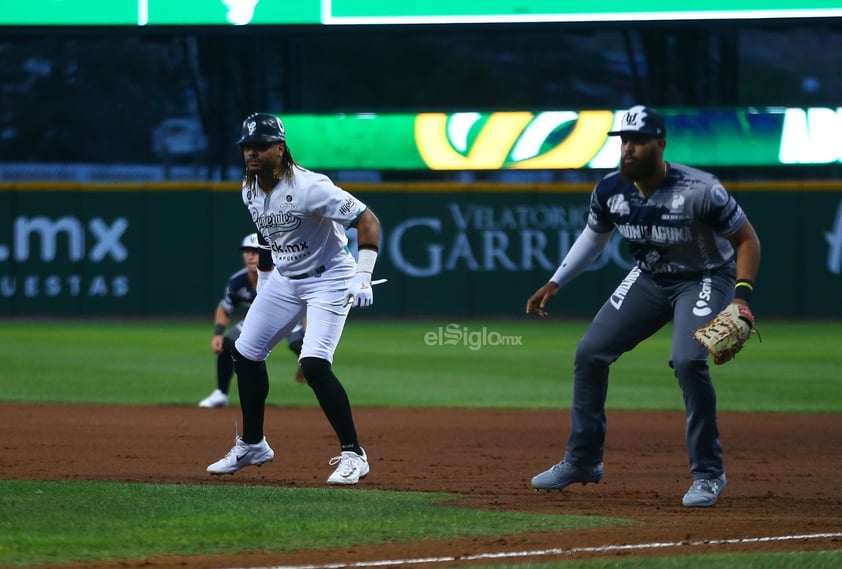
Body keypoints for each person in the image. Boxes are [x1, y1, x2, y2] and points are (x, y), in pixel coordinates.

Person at [526, 105, 761, 508]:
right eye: (623, 141)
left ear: (660, 143)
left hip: (704, 276)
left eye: (636, 140)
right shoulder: (611, 190)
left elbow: (747, 240)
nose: (627, 149)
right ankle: (583, 461)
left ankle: (708, 473)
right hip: (650, 277)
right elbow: (594, 238)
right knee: (590, 353)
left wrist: (740, 297)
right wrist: (556, 281)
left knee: (688, 361)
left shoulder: (701, 189)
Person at [207, 112, 382, 486]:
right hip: (285, 280)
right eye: (247, 147)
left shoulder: (310, 187)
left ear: (280, 148)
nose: (252, 153)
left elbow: (369, 220)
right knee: (244, 351)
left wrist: (363, 275)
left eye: (261, 146)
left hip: (330, 278)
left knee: (315, 365)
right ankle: (253, 444)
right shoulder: (250, 187)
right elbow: (268, 237)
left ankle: (354, 454)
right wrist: (266, 282)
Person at [198, 233, 306, 409]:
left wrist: (307, 349)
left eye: (255, 251)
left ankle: (317, 381)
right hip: (262, 318)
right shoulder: (238, 281)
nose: (251, 255)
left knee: (300, 346)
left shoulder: (282, 275)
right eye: (247, 251)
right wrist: (218, 333)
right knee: (227, 344)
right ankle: (221, 394)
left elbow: (306, 306)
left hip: (288, 316)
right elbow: (225, 308)